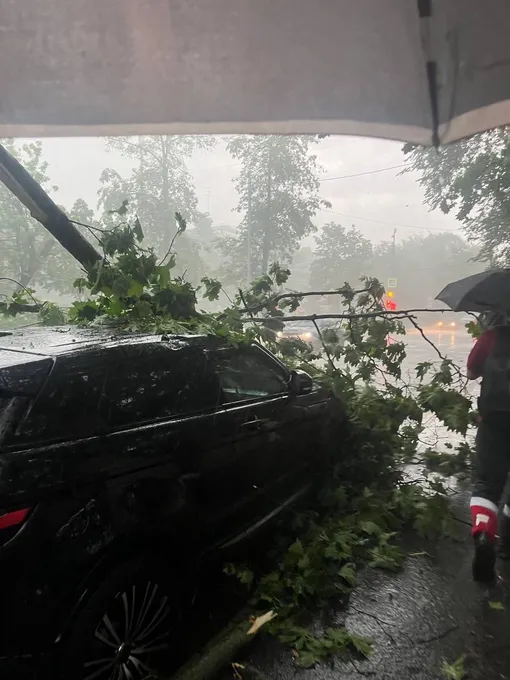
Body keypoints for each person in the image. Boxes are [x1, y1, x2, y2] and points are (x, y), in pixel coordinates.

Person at [467, 310, 510, 584]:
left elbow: (471, 372)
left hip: (494, 422)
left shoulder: (492, 336)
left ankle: (484, 532)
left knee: (487, 484)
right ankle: (508, 544)